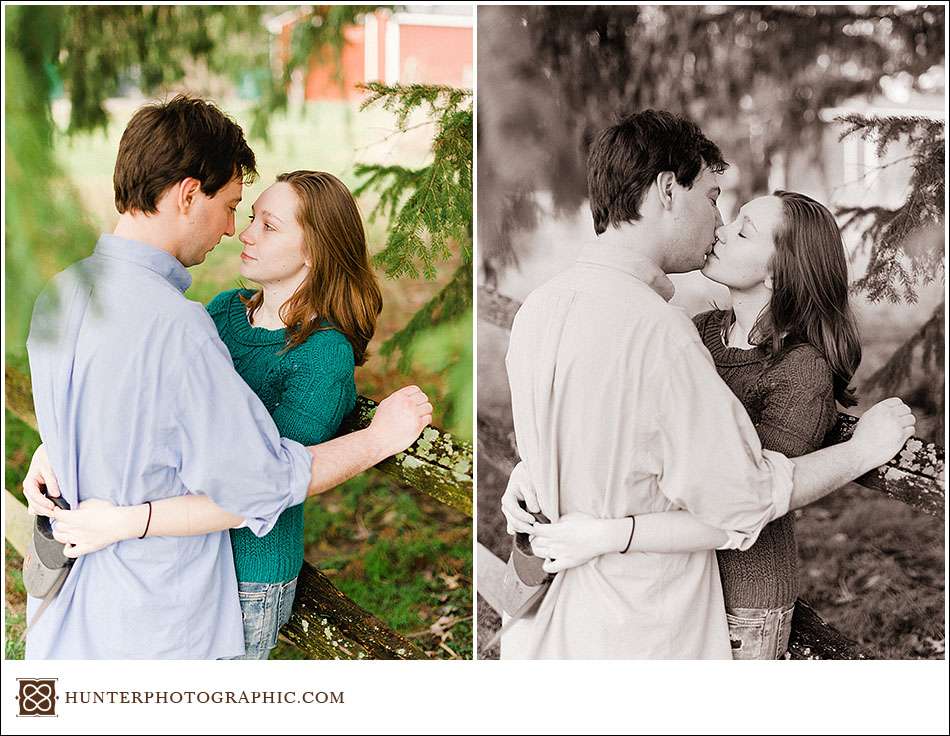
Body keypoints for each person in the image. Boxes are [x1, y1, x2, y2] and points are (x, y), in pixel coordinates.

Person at [22, 95, 431, 660]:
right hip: (159, 612)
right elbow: (261, 484)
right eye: (233, 206)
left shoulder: (61, 292)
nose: (234, 229)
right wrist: (380, 438)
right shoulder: (180, 327)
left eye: (263, 221)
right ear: (189, 194)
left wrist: (57, 452)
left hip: (90, 608)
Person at [498, 110, 915, 659]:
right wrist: (861, 453)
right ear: (669, 191)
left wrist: (532, 478)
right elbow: (745, 499)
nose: (716, 222)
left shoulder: (541, 307)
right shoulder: (663, 333)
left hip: (583, 623)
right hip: (647, 625)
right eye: (713, 197)